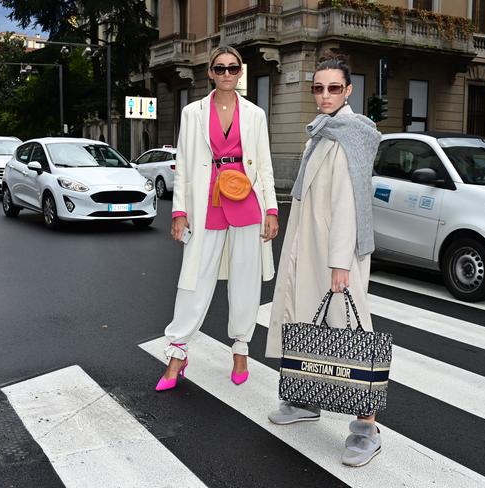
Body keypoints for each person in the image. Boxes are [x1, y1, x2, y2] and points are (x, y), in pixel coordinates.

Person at [264, 52, 382, 467]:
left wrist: (339, 264)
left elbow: (351, 203)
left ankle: (367, 428)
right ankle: (304, 400)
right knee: (305, 325)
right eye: (319, 88)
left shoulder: (352, 133)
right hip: (309, 245)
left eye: (334, 88)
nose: (325, 95)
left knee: (350, 334)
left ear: (348, 90)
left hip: (336, 253)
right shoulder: (322, 131)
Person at [156, 45, 279, 391]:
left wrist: (271, 209)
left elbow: (265, 167)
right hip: (206, 202)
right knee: (194, 279)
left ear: (241, 72)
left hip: (246, 202)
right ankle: (177, 353)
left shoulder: (255, 114)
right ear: (209, 72)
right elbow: (182, 167)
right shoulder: (192, 113)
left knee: (245, 279)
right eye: (220, 68)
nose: (226, 74)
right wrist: (179, 211)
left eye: (232, 68)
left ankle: (240, 349)